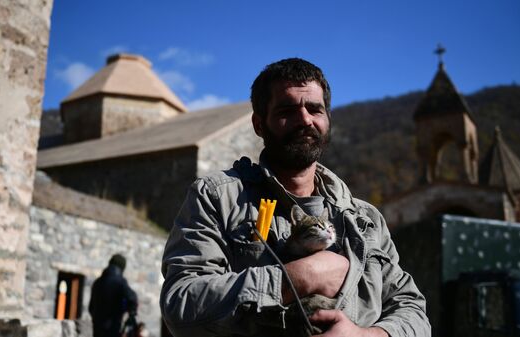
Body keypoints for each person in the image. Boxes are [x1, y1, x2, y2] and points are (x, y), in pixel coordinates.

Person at [160, 58, 431, 337]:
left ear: (327, 119)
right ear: (259, 124)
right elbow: (180, 304)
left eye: (315, 109)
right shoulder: (217, 197)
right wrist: (300, 277)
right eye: (287, 110)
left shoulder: (366, 219)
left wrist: (369, 335)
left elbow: (413, 310)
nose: (305, 120)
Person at [89, 254, 139, 337]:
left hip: (97, 329)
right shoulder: (120, 282)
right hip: (113, 328)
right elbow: (132, 299)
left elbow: (91, 308)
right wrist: (129, 312)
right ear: (122, 267)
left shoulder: (97, 283)